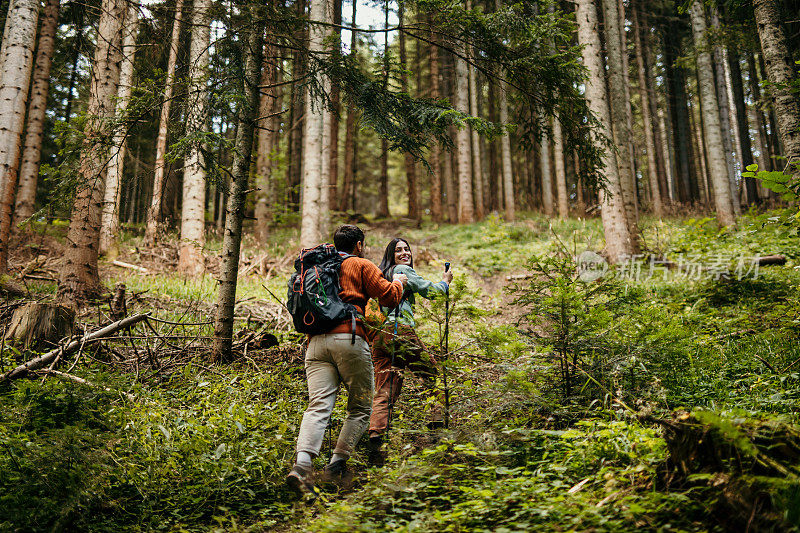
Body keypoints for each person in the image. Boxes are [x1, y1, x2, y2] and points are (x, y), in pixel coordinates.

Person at [286, 225, 408, 494]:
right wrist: (400, 283)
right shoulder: (361, 264)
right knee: (361, 407)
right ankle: (337, 464)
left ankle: (302, 466)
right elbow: (388, 297)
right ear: (359, 245)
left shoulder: (317, 268)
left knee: (318, 405)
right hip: (349, 339)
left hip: (315, 344)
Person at [366, 237, 453, 466]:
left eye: (407, 249)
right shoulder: (403, 270)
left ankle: (376, 434)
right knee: (432, 373)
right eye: (398, 250)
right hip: (401, 331)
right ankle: (436, 424)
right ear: (391, 255)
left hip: (379, 338)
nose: (405, 253)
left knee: (384, 389)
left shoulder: (380, 275)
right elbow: (432, 292)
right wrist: (445, 282)